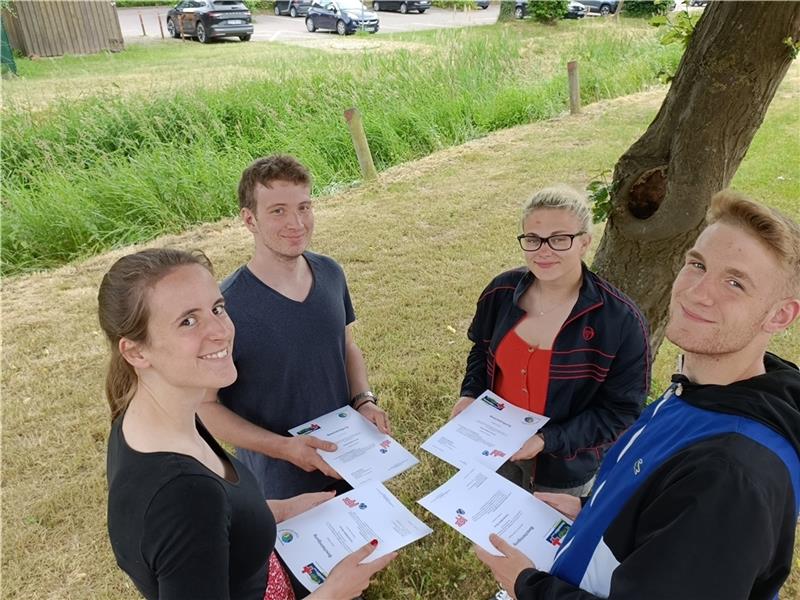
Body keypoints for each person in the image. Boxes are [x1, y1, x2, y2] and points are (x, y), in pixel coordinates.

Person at [474, 190, 800, 600]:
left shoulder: (731, 477)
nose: (697, 292)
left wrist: (527, 585)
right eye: (697, 264)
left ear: (780, 314)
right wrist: (594, 513)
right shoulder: (696, 392)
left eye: (735, 282)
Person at [101, 248, 397, 600]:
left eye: (217, 308)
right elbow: (196, 518)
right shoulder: (184, 498)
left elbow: (215, 529)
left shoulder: (152, 421)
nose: (220, 331)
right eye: (188, 321)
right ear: (136, 352)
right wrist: (332, 593)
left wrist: (280, 510)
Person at [198, 155, 390, 504]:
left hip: (351, 458)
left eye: (304, 207)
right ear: (249, 219)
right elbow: (206, 407)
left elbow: (346, 347)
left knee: (370, 553)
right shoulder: (225, 307)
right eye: (278, 211)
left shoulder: (330, 273)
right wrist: (286, 448)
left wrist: (364, 401)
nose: (296, 223)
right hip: (282, 484)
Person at [453, 185, 650, 497]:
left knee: (545, 544)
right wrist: (470, 394)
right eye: (533, 239)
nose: (543, 251)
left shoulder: (619, 321)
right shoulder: (501, 292)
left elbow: (620, 411)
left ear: (584, 242)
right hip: (494, 445)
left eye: (560, 239)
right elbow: (481, 348)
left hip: (565, 465)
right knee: (490, 534)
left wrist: (546, 440)